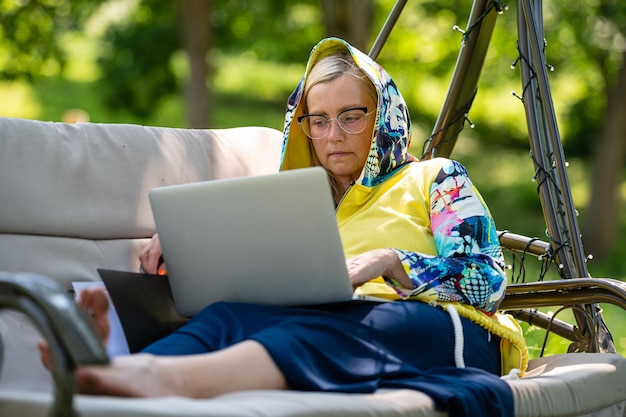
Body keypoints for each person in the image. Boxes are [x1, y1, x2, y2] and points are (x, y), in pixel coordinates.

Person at [41, 38, 527, 416]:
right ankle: (111, 368)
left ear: (383, 118)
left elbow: (488, 279)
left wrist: (392, 261)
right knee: (225, 317)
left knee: (321, 330)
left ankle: (160, 378)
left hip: (436, 330)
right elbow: (250, 280)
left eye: (351, 117)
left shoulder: (434, 177)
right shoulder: (297, 206)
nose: (332, 136)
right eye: (317, 121)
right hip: (332, 321)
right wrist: (190, 245)